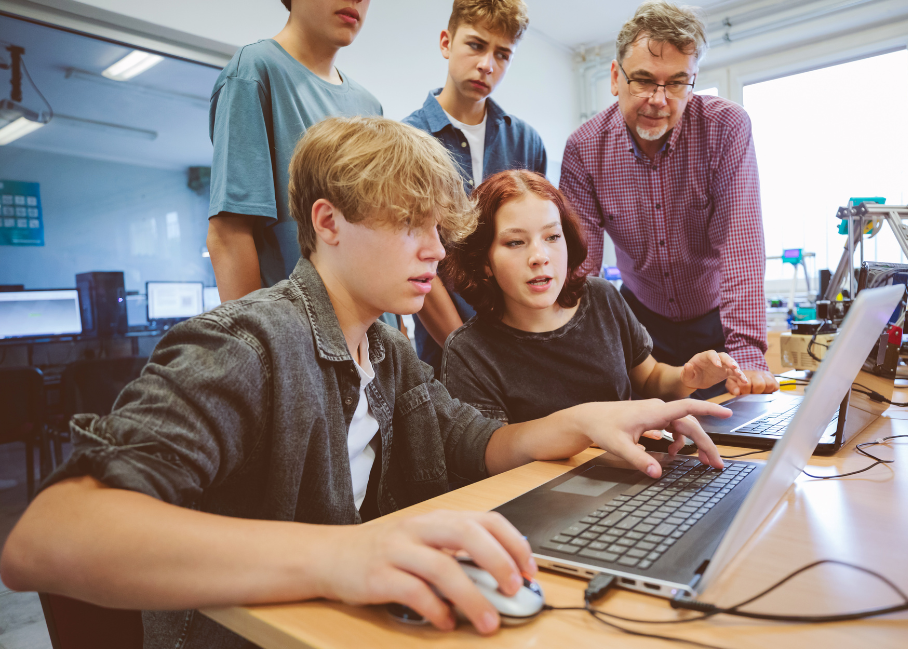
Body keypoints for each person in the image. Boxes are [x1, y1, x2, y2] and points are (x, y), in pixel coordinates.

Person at [0, 117, 730, 648]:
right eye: (410, 222)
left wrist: (593, 418)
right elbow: (46, 538)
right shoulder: (245, 343)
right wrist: (342, 553)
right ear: (329, 223)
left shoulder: (386, 350)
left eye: (437, 226)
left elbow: (481, 442)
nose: (434, 249)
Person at [559, 0, 778, 398]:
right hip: (637, 323)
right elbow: (579, 265)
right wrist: (569, 351)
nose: (659, 100)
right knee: (643, 447)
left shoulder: (725, 129)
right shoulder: (584, 149)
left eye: (676, 83)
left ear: (692, 79)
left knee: (727, 446)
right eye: (643, 80)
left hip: (716, 325)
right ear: (615, 77)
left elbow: (741, 245)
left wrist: (746, 352)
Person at [442, 169, 746, 431]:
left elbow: (650, 377)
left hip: (630, 476)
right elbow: (494, 458)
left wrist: (687, 376)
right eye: (515, 242)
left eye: (552, 237)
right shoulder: (469, 352)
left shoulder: (601, 298)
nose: (539, 257)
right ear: (483, 260)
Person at [403, 0, 547, 376]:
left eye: (502, 54)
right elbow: (416, 259)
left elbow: (540, 242)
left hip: (524, 343)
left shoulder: (526, 142)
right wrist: (465, 352)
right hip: (444, 353)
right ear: (446, 42)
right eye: (476, 45)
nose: (487, 64)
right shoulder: (409, 141)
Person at [206, 0, 381, 301]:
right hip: (297, 334)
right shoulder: (254, 72)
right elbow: (229, 235)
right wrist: (260, 343)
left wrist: (397, 335)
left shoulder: (369, 106)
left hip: (375, 332)